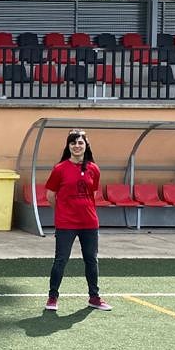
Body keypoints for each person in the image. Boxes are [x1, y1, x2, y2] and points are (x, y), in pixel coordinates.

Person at [44, 128, 111, 311]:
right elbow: (50, 195)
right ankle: (52, 297)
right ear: (68, 146)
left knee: (91, 260)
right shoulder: (59, 169)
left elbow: (92, 193)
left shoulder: (93, 169)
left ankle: (94, 297)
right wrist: (62, 212)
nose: (77, 146)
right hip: (66, 223)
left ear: (86, 145)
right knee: (61, 260)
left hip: (89, 223)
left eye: (80, 142)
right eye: (73, 143)